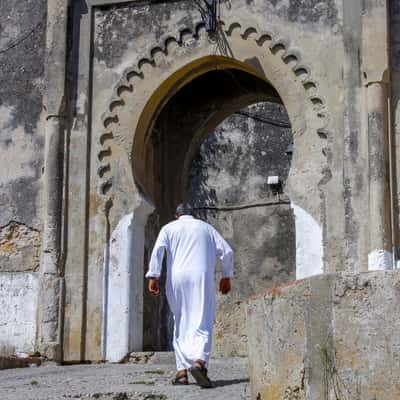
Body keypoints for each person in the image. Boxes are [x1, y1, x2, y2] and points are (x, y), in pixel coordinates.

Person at [145, 203, 234, 388]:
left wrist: (153, 275)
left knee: (180, 320)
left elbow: (158, 251)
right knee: (202, 320)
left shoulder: (168, 228)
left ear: (177, 216)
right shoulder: (206, 228)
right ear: (193, 215)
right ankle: (199, 362)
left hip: (176, 278)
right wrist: (226, 276)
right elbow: (227, 252)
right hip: (200, 278)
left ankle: (181, 373)